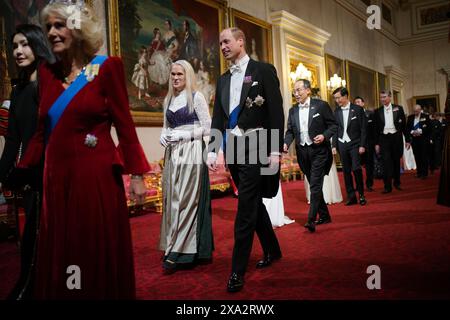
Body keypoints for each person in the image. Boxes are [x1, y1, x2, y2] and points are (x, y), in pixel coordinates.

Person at [18, 2, 149, 299]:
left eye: (59, 25)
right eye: (48, 27)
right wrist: (23, 171)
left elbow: (124, 125)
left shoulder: (106, 68)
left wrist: (138, 175)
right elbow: (41, 129)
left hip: (95, 178)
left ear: (76, 28)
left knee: (88, 244)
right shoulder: (47, 73)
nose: (51, 32)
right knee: (65, 249)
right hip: (57, 179)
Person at [207, 28, 284, 293]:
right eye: (220, 43)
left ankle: (237, 270)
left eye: (227, 41)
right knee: (250, 201)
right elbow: (218, 117)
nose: (223, 46)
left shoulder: (263, 70)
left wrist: (275, 150)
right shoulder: (223, 80)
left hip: (258, 145)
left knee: (244, 208)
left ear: (241, 41)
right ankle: (273, 249)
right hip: (234, 149)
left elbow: (275, 111)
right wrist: (212, 149)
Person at [0, 24, 54, 300]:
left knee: (48, 238)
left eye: (24, 44)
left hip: (52, 172)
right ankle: (30, 287)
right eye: (14, 45)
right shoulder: (19, 90)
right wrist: (3, 173)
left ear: (37, 45)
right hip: (30, 173)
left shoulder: (48, 85)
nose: (18, 51)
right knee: (31, 237)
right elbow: (12, 139)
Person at [158, 60, 213, 274]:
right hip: (173, 153)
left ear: (187, 75)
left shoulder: (196, 97)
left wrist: (186, 134)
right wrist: (164, 134)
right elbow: (165, 126)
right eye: (172, 74)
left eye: (179, 74)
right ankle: (172, 244)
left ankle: (182, 250)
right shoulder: (168, 99)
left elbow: (208, 128)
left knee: (187, 200)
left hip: (191, 151)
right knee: (172, 199)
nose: (175, 77)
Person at [284, 79, 337, 232]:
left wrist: (324, 136)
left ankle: (311, 219)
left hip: (319, 151)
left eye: (299, 90)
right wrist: (286, 143)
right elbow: (290, 132)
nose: (296, 93)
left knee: (314, 184)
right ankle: (325, 215)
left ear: (308, 90)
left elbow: (333, 125)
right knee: (314, 184)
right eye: (294, 91)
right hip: (303, 153)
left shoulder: (321, 105)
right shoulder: (292, 110)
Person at [331, 87, 367, 206]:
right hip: (342, 144)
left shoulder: (357, 109)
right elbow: (335, 130)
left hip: (355, 144)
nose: (337, 100)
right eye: (335, 98)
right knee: (346, 171)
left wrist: (362, 145)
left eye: (338, 97)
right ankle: (351, 196)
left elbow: (363, 129)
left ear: (346, 96)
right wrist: (334, 145)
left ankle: (361, 195)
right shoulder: (336, 112)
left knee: (356, 168)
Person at [374, 90, 410, 193]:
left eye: (384, 97)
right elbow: (375, 129)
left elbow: (404, 126)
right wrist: (376, 143)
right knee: (385, 163)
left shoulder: (399, 109)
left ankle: (397, 183)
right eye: (381, 97)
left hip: (396, 138)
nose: (383, 99)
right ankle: (387, 186)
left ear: (390, 97)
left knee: (395, 161)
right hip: (384, 139)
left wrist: (407, 139)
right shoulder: (378, 111)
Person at [304, 140, 343, 205]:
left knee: (327, 173)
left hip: (325, 145)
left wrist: (333, 145)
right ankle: (315, 197)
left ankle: (327, 196)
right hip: (311, 147)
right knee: (313, 173)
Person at [354, 96, 376, 191]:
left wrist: (376, 143)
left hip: (368, 144)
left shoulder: (370, 114)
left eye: (358, 102)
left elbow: (374, 130)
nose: (357, 104)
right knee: (356, 166)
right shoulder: (352, 115)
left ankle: (369, 184)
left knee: (369, 165)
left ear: (363, 103)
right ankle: (359, 185)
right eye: (355, 103)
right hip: (356, 144)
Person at [406, 104, 431, 179]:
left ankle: (424, 173)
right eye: (414, 111)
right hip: (414, 140)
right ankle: (419, 172)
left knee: (424, 156)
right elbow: (407, 129)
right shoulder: (410, 117)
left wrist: (421, 131)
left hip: (423, 140)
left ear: (420, 110)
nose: (415, 112)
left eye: (417, 111)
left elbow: (429, 128)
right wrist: (412, 132)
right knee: (417, 156)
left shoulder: (425, 117)